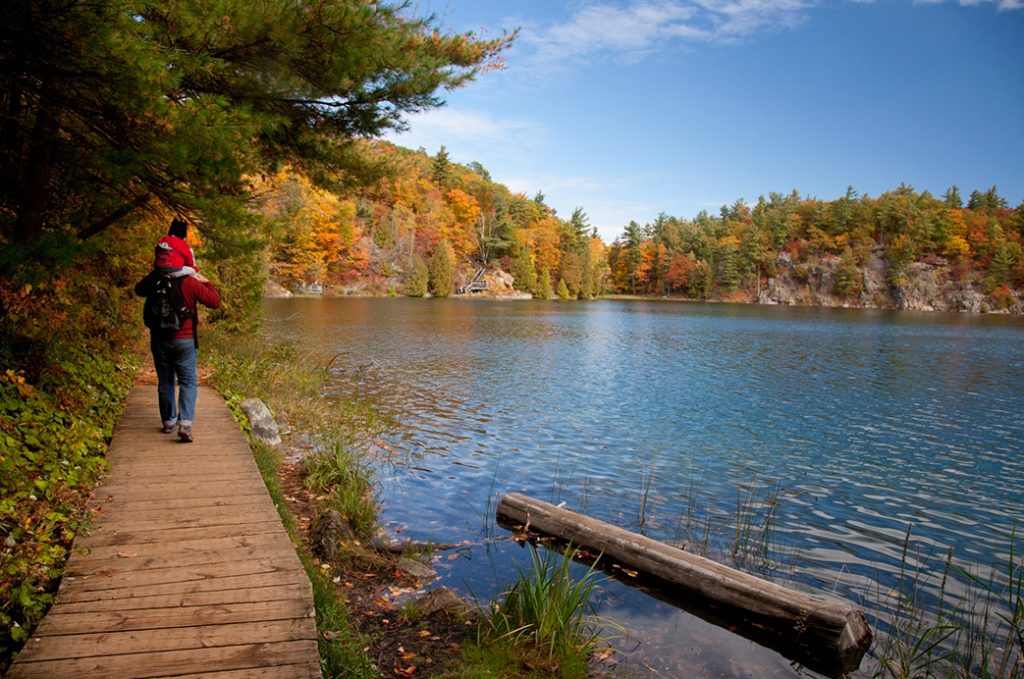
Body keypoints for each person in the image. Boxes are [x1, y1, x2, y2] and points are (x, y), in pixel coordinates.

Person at [135, 225, 220, 443]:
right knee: (188, 382)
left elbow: (138, 290)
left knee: (165, 380)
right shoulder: (190, 282)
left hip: (159, 339)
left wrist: (155, 274)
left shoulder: (156, 279)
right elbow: (214, 302)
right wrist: (205, 280)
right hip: (184, 341)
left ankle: (168, 422)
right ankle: (185, 424)